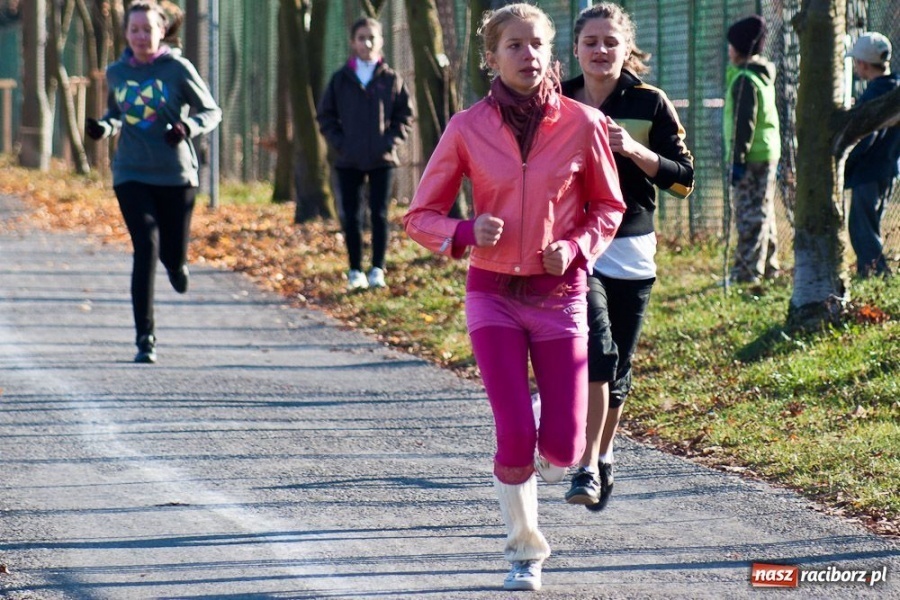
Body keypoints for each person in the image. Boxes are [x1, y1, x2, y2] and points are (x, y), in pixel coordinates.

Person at [403, 4, 625, 591]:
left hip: (560, 294)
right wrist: (463, 232)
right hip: (493, 293)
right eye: (514, 47)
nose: (528, 56)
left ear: (552, 54)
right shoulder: (466, 128)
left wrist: (574, 248)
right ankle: (525, 551)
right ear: (492, 57)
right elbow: (419, 215)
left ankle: (538, 428)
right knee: (512, 437)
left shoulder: (583, 124)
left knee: (565, 446)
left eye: (536, 46)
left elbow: (608, 208)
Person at [560, 3, 694, 511]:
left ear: (625, 46)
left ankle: (604, 450)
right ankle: (585, 464)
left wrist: (633, 151)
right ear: (575, 48)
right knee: (598, 349)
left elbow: (684, 181)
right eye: (590, 42)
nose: (599, 51)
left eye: (609, 42)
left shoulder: (650, 102)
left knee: (619, 368)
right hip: (577, 245)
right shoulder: (560, 99)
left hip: (633, 245)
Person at [84, 0, 221, 364]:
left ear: (163, 31)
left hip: (176, 175)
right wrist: (104, 127)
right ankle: (145, 337)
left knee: (171, 254)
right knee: (146, 246)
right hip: (131, 172)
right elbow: (118, 113)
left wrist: (187, 127)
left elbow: (211, 110)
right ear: (126, 33)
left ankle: (177, 266)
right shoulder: (117, 72)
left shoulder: (177, 68)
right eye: (134, 30)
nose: (141, 36)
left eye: (148, 29)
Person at [317, 17, 414, 291]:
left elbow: (405, 115)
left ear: (380, 41)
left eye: (372, 37)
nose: (367, 43)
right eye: (361, 38)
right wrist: (340, 144)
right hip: (348, 160)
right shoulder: (340, 79)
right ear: (353, 42)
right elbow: (326, 116)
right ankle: (354, 270)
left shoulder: (391, 79)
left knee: (380, 214)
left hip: (382, 160)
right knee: (351, 215)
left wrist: (390, 142)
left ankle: (377, 269)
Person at [724, 15, 781, 284]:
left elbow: (742, 125)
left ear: (739, 48)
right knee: (763, 211)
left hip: (751, 158)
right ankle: (769, 266)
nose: (728, 51)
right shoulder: (762, 76)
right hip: (767, 153)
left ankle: (746, 273)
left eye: (731, 45)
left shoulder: (745, 80)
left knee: (749, 216)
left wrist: (737, 160)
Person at [844, 31, 900, 278]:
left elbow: (865, 138)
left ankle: (876, 274)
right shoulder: (894, 90)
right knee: (871, 223)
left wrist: (846, 162)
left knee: (861, 227)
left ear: (863, 63)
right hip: (889, 167)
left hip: (868, 171)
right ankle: (871, 272)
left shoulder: (873, 97)